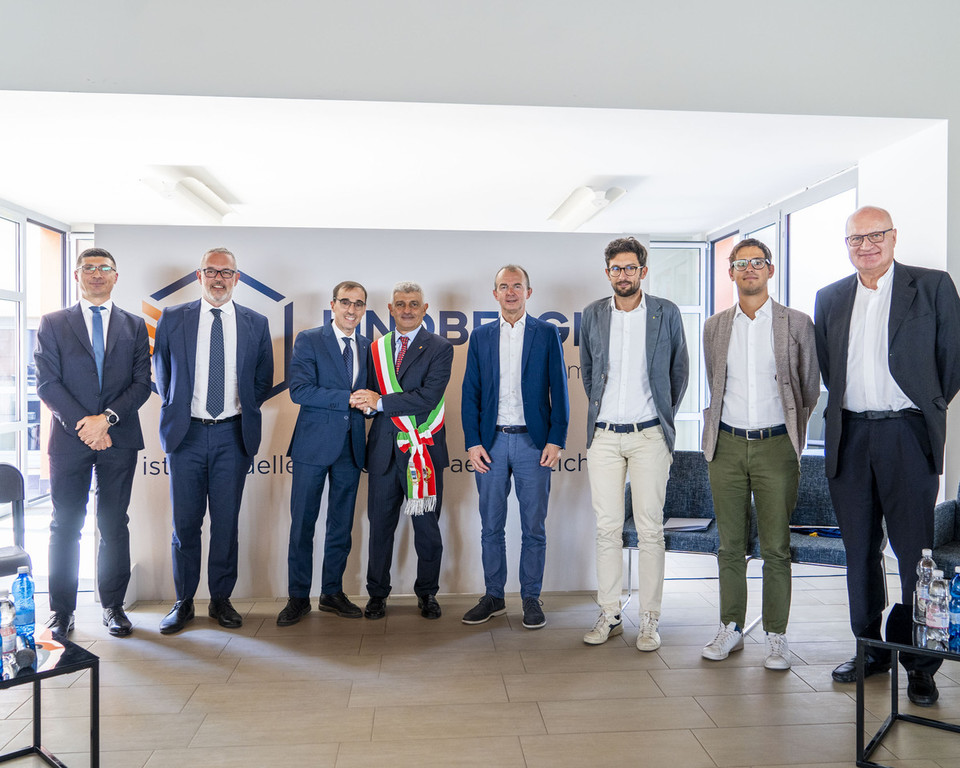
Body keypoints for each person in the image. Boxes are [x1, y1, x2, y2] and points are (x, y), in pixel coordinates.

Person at [815, 206, 960, 706]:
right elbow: (831, 370)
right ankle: (870, 649)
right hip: (851, 435)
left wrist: (925, 405)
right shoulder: (830, 298)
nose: (866, 245)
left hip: (907, 434)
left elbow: (951, 361)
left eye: (876, 235)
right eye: (856, 238)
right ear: (847, 245)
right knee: (859, 551)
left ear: (894, 237)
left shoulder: (932, 286)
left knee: (915, 556)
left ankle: (921, 664)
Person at [700, 239, 819, 669]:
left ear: (769, 269)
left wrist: (788, 433)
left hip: (776, 447)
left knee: (776, 547)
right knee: (730, 545)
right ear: (731, 272)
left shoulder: (797, 323)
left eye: (757, 262)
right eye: (740, 263)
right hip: (726, 445)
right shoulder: (714, 327)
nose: (748, 268)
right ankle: (730, 627)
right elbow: (715, 383)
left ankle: (776, 636)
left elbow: (808, 389)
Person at [153, 247, 274, 634]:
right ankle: (184, 601)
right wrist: (178, 409)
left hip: (232, 434)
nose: (218, 278)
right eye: (211, 271)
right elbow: (162, 373)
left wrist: (238, 411)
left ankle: (221, 600)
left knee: (225, 524)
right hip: (186, 434)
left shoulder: (256, 322)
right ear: (199, 275)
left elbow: (262, 379)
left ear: (237, 278)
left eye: (226, 272)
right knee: (185, 525)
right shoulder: (173, 317)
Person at [35, 247, 151, 638]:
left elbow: (142, 384)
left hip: (119, 437)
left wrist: (106, 421)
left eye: (104, 268)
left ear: (116, 276)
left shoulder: (135, 325)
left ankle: (113, 606)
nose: (97, 274)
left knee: (114, 523)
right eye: (89, 268)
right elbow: (47, 383)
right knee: (65, 525)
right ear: (77, 275)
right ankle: (61, 611)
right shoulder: (53, 323)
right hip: (70, 439)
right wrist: (86, 425)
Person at [580, 237, 688, 650]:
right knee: (607, 529)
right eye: (616, 268)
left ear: (643, 271)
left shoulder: (666, 312)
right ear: (607, 272)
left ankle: (649, 618)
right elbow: (589, 370)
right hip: (604, 436)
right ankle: (609, 614)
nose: (623, 275)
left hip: (649, 436)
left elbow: (679, 372)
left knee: (650, 530)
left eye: (630, 268)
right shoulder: (593, 314)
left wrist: (661, 418)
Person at [460, 265, 569, 629]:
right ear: (495, 294)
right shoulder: (481, 336)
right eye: (503, 286)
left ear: (528, 292)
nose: (510, 292)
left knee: (533, 527)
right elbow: (470, 393)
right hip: (490, 442)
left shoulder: (546, 333)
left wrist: (556, 439)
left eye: (516, 286)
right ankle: (494, 596)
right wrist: (473, 442)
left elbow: (560, 389)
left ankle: (531, 598)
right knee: (491, 526)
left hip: (532, 443)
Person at [350, 282, 453, 620]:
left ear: (425, 309)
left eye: (413, 304)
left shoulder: (440, 347)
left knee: (427, 530)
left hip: (423, 449)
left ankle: (428, 593)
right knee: (380, 528)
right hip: (383, 451)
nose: (407, 309)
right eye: (400, 304)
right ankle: (377, 594)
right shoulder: (375, 348)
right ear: (390, 309)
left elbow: (428, 397)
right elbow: (368, 394)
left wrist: (380, 402)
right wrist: (367, 405)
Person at [277, 281, 370, 626]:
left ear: (364, 309)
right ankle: (298, 597)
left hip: (351, 446)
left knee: (341, 526)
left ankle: (332, 592)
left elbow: (370, 394)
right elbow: (300, 391)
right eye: (345, 302)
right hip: (313, 446)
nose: (351, 309)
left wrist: (370, 404)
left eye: (358, 304)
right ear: (333, 305)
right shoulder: (310, 339)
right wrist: (347, 399)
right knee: (303, 524)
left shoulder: (368, 346)